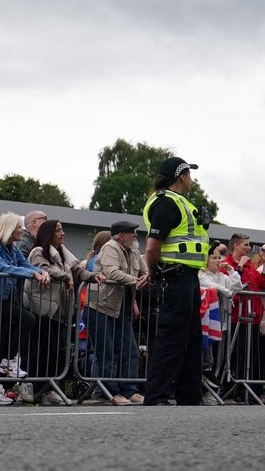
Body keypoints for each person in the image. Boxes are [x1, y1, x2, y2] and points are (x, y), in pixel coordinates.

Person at [143, 156, 209, 406]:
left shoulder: (181, 203)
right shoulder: (166, 203)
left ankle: (189, 396)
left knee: (191, 339)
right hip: (174, 276)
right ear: (181, 176)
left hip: (188, 277)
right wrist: (154, 273)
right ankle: (156, 396)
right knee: (171, 338)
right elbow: (152, 248)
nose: (191, 178)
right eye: (189, 173)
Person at [23, 219, 104, 405]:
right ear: (49, 234)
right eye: (58, 230)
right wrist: (65, 277)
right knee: (41, 352)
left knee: (56, 352)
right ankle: (35, 389)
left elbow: (77, 271)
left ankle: (49, 388)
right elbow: (44, 269)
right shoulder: (38, 252)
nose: (63, 233)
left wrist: (93, 276)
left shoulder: (63, 253)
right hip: (42, 310)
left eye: (62, 230)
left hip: (59, 312)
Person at [0, 213, 49, 405]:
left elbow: (26, 265)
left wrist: (42, 272)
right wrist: (33, 275)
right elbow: (3, 267)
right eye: (18, 227)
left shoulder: (12, 248)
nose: (21, 230)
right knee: (26, 319)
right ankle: (7, 363)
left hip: (2, 299)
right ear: (8, 228)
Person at [87, 220, 150, 405]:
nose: (136, 235)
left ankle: (129, 390)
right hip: (100, 307)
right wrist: (136, 281)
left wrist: (145, 277)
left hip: (121, 307)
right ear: (120, 235)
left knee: (130, 350)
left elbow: (145, 270)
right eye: (132, 232)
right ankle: (111, 392)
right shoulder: (110, 248)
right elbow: (111, 272)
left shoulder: (133, 252)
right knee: (107, 353)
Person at [220, 232, 262, 402]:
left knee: (250, 356)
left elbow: (258, 282)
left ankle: (247, 392)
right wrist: (239, 266)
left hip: (252, 317)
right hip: (236, 317)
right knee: (234, 354)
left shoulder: (250, 264)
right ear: (236, 245)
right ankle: (229, 390)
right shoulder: (226, 263)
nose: (249, 248)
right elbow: (236, 286)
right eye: (245, 244)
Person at [200, 241, 241, 397]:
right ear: (206, 260)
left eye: (219, 258)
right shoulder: (201, 275)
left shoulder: (222, 276)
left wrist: (232, 271)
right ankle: (203, 391)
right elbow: (219, 289)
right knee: (206, 357)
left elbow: (236, 289)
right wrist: (228, 291)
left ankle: (212, 392)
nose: (218, 261)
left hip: (221, 323)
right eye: (214, 258)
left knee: (219, 357)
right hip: (206, 324)